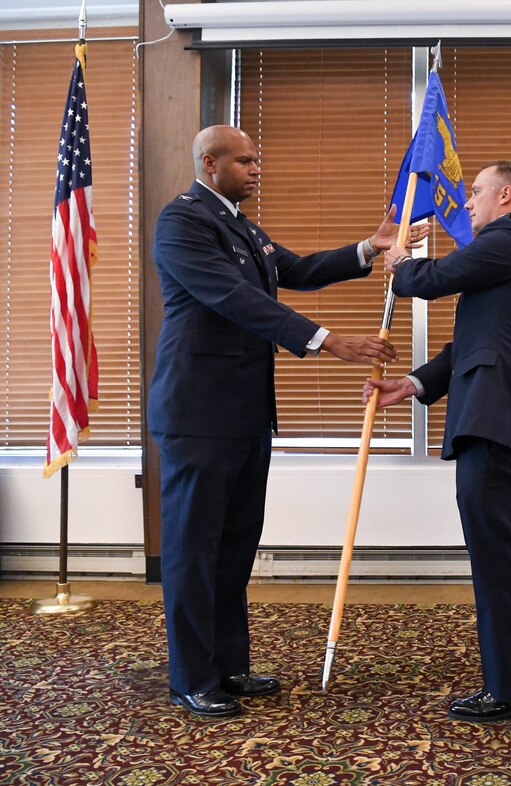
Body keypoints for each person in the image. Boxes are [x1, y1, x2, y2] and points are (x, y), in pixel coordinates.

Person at [149, 125, 426, 718]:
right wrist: (327, 342)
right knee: (194, 549)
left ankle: (228, 665)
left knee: (233, 545)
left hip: (244, 413)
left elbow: (291, 270)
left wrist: (370, 248)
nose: (255, 169)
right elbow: (233, 297)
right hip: (197, 411)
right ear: (209, 161)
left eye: (256, 159)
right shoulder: (183, 221)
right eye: (244, 160)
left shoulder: (241, 224)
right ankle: (192, 677)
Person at [364, 161, 511, 722]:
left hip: (496, 423)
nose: (467, 201)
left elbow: (428, 280)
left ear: (505, 196)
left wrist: (399, 257)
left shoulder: (506, 239)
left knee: (500, 560)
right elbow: (471, 345)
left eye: (475, 192)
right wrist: (411, 384)